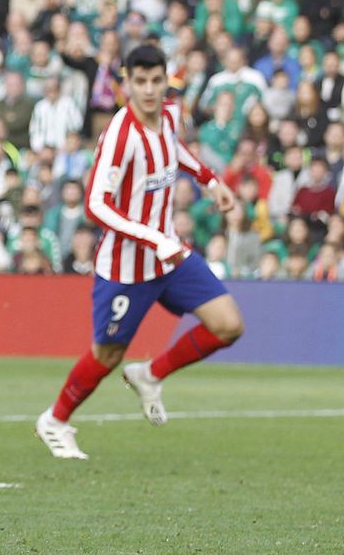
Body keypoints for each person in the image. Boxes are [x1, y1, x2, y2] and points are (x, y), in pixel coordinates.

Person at [36, 43, 246, 460]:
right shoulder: (119, 134)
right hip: (126, 268)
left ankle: (150, 374)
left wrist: (210, 179)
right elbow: (97, 204)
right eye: (140, 82)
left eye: (156, 80)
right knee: (107, 355)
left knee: (228, 325)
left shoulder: (169, 114)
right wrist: (154, 239)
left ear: (165, 79)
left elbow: (176, 150)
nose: (149, 90)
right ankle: (55, 421)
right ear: (126, 84)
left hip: (168, 257)